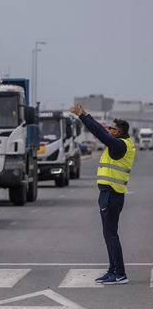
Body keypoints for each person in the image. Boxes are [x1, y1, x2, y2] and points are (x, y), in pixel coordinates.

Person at [70, 102, 135, 285]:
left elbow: (99, 133)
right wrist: (85, 113)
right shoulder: (119, 143)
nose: (108, 129)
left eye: (112, 128)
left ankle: (120, 273)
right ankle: (113, 270)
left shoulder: (119, 146)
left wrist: (81, 116)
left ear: (119, 131)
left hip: (112, 194)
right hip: (110, 193)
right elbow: (101, 130)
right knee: (108, 234)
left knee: (111, 234)